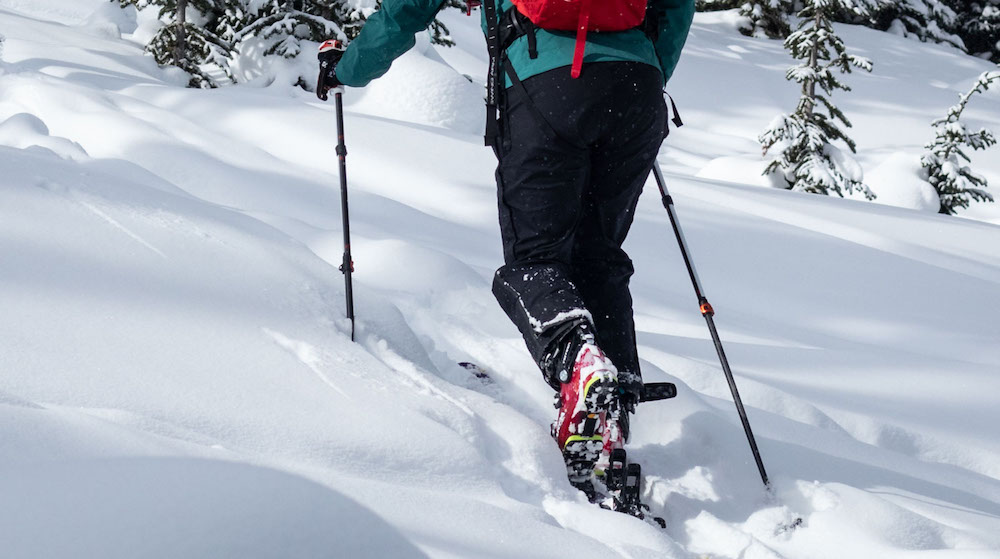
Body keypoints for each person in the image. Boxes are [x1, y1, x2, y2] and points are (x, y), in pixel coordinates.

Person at [317, 0, 694, 497]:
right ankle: (611, 417)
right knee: (599, 255)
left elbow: (409, 7)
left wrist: (349, 67)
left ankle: (579, 360)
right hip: (636, 90)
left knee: (534, 261)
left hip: (545, 87)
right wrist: (644, 66)